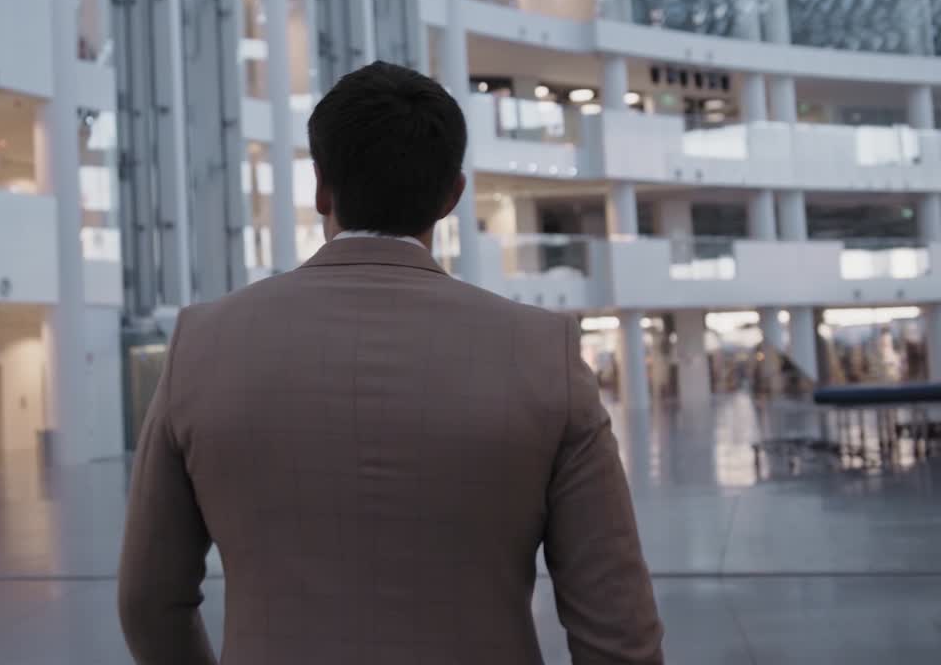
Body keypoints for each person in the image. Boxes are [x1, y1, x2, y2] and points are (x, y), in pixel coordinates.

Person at [117, 61, 663, 664]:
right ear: (452, 195)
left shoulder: (204, 343)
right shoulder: (542, 352)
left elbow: (149, 600)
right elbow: (620, 636)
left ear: (321, 186)